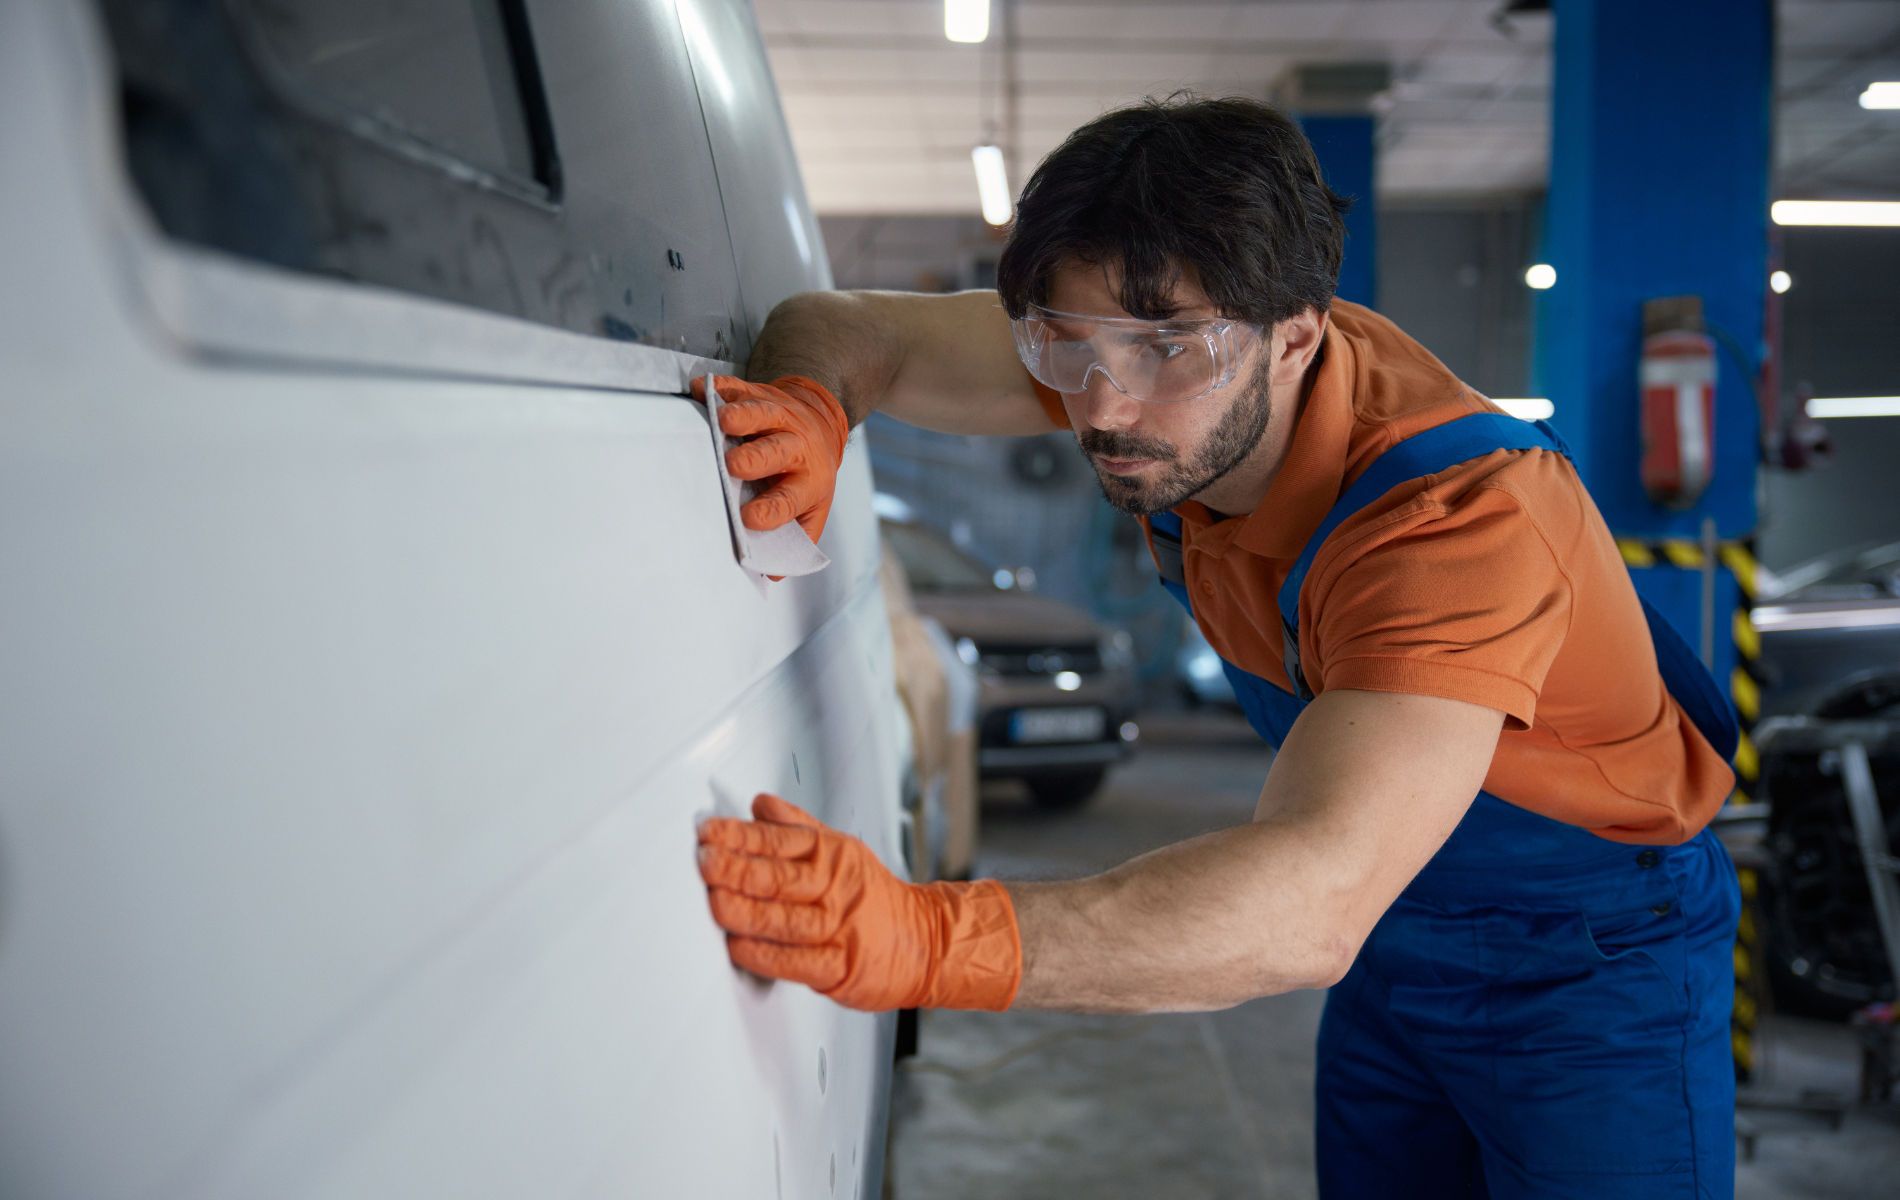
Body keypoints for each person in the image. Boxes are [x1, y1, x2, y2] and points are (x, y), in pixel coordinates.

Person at [694, 96, 1741, 1199]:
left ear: (1296, 336)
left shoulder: (1452, 521)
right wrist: (810, 401)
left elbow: (1315, 896)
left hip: (1589, 966)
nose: (1102, 408)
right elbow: (861, 325)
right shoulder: (1166, 369)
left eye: (1161, 352)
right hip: (1400, 943)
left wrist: (931, 939)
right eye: (1064, 344)